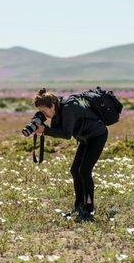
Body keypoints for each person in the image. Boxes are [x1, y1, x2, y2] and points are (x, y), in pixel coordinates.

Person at [33, 88, 108, 222]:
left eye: (44, 111)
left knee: (84, 171)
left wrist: (45, 129)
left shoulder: (68, 109)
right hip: (85, 138)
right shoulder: (58, 109)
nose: (43, 114)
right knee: (75, 170)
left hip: (97, 136)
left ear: (52, 105)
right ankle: (78, 206)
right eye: (40, 112)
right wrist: (41, 123)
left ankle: (89, 209)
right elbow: (59, 129)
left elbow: (66, 134)